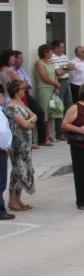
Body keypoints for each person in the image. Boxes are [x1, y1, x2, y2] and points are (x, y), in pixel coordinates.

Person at [4, 80, 37, 211]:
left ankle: (18, 199)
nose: (24, 90)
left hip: (26, 142)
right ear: (16, 91)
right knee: (18, 170)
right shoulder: (11, 106)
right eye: (22, 88)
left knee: (26, 168)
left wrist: (29, 121)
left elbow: (34, 116)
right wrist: (29, 122)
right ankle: (12, 200)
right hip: (17, 143)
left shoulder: (21, 103)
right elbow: (24, 124)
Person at [13, 50, 50, 147]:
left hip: (25, 93)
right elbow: (17, 85)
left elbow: (29, 84)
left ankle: (42, 139)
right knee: (26, 115)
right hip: (17, 95)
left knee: (40, 112)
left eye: (22, 58)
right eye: (20, 58)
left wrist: (24, 84)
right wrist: (23, 84)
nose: (22, 60)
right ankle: (30, 142)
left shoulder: (22, 70)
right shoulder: (10, 70)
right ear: (14, 59)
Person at [34, 44, 61, 143]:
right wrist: (56, 84)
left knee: (51, 112)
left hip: (52, 90)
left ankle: (50, 134)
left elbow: (54, 75)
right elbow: (44, 77)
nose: (51, 53)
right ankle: (44, 135)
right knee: (44, 112)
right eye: (50, 52)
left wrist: (56, 86)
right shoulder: (39, 63)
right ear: (44, 53)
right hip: (44, 90)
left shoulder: (50, 63)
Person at [0, 87, 13, 220]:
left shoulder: (1, 111)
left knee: (2, 182)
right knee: (1, 182)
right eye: (2, 96)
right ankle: (0, 210)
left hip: (3, 149)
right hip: (1, 150)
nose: (3, 99)